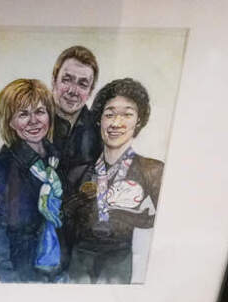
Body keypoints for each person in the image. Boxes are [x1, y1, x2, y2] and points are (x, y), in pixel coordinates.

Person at [64, 78, 163, 284]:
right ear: (99, 119)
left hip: (121, 266)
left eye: (127, 114)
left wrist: (137, 218)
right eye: (109, 114)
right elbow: (64, 223)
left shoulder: (152, 171)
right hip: (78, 266)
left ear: (138, 121)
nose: (116, 123)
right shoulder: (78, 172)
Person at [0, 79, 68, 283]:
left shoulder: (58, 160)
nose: (34, 121)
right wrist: (10, 280)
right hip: (23, 273)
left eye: (40, 112)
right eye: (23, 114)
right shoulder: (0, 168)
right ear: (10, 122)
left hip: (61, 272)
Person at [50, 46, 102, 173]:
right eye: (67, 80)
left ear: (90, 91)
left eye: (82, 84)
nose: (73, 91)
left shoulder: (98, 132)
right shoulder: (33, 123)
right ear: (53, 80)